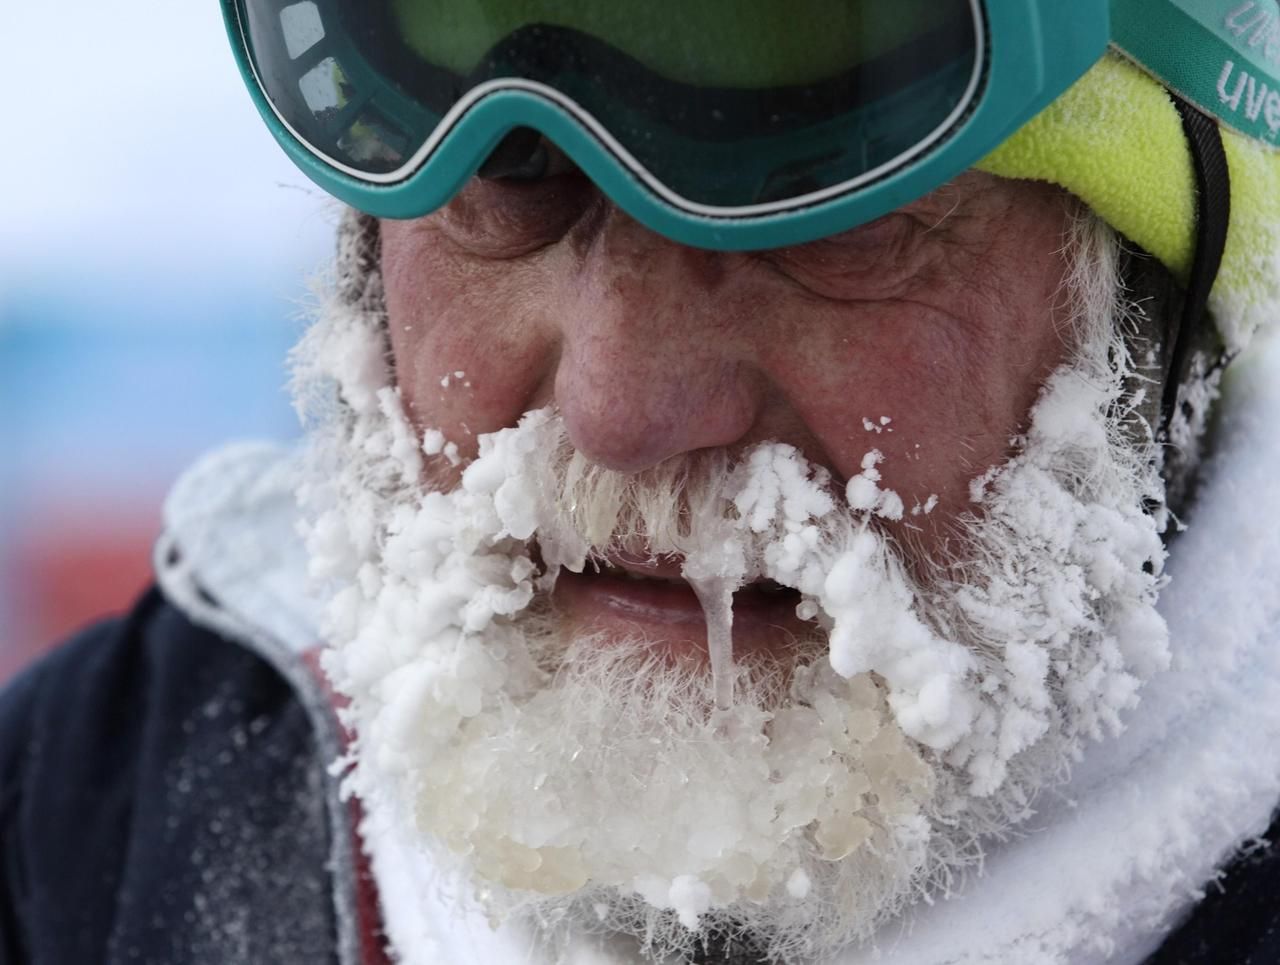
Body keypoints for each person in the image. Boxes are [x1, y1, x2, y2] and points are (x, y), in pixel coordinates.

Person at [5, 2, 1280, 963]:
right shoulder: (79, 825)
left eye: (829, 213)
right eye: (511, 178)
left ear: (1152, 322)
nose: (621, 413)